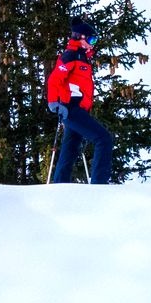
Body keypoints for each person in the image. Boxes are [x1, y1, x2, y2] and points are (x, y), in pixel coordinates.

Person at [46, 17, 114, 185]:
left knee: (71, 148)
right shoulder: (70, 56)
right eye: (91, 39)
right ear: (80, 37)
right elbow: (54, 80)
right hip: (70, 109)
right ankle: (99, 184)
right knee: (103, 139)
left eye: (95, 40)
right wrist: (54, 103)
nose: (93, 43)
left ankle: (59, 185)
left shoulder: (83, 58)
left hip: (79, 110)